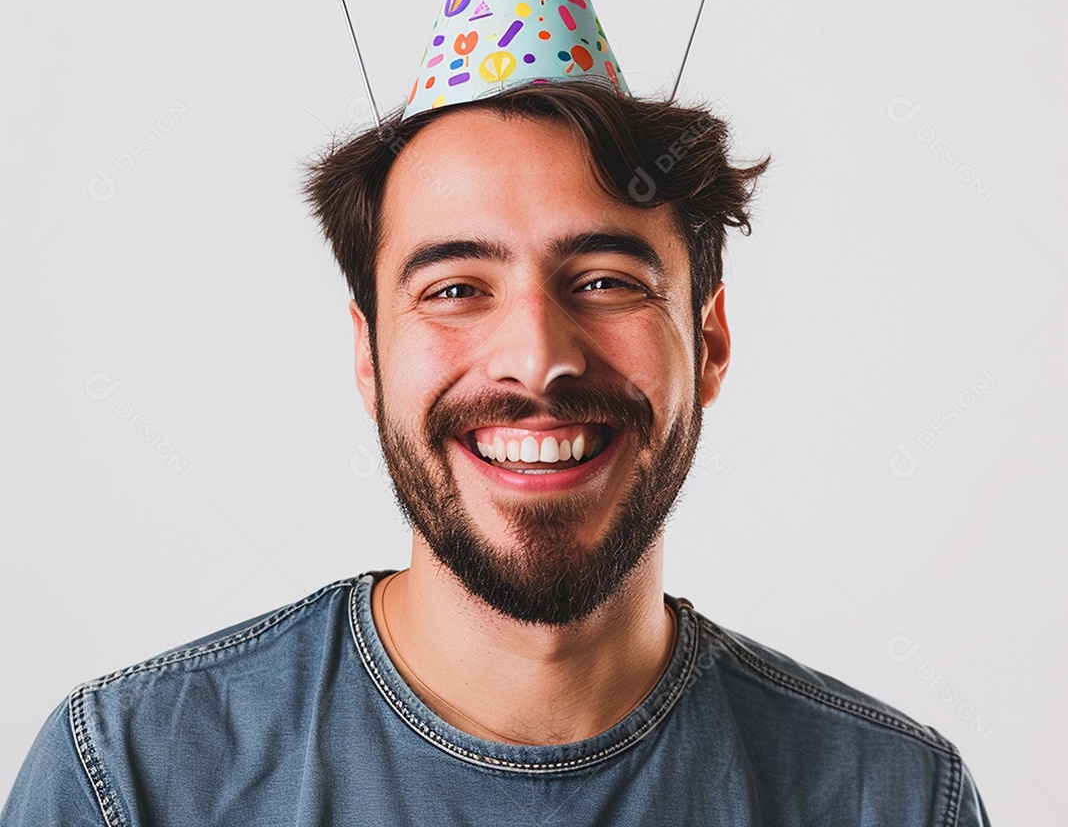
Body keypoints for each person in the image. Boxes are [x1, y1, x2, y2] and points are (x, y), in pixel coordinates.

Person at [2, 78, 990, 825]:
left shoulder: (893, 798)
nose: (539, 359)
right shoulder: (130, 780)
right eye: (455, 288)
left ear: (710, 341)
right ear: (369, 355)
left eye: (604, 281)